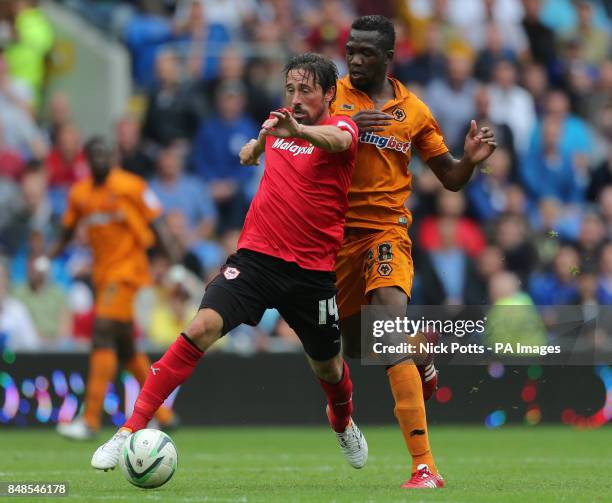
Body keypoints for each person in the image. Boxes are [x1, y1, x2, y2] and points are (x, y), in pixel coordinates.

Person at [91, 53, 368, 472]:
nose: (295, 98)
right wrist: (253, 148)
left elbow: (340, 142)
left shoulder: (340, 126)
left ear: (329, 93)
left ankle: (342, 421)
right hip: (255, 260)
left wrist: (299, 131)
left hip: (311, 272)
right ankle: (128, 429)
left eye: (305, 90)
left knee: (328, 366)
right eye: (290, 89)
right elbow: (255, 148)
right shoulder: (277, 125)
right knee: (200, 327)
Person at [331, 15, 496, 489]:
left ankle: (424, 466)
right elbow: (306, 143)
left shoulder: (415, 111)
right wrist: (343, 124)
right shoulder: (333, 97)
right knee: (360, 348)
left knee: (385, 330)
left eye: (366, 53)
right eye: (351, 50)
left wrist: (468, 161)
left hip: (386, 234)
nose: (356, 59)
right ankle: (421, 352)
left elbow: (449, 178)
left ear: (388, 58)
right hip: (337, 240)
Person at [50, 137, 177, 440]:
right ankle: (164, 414)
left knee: (102, 331)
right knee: (125, 347)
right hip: (102, 277)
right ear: (87, 159)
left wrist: (173, 262)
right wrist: (47, 258)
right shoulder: (80, 194)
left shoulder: (132, 186)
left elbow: (156, 224)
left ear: (114, 157)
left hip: (128, 273)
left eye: (106, 153)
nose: (101, 159)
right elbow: (67, 230)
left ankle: (90, 420)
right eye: (94, 154)